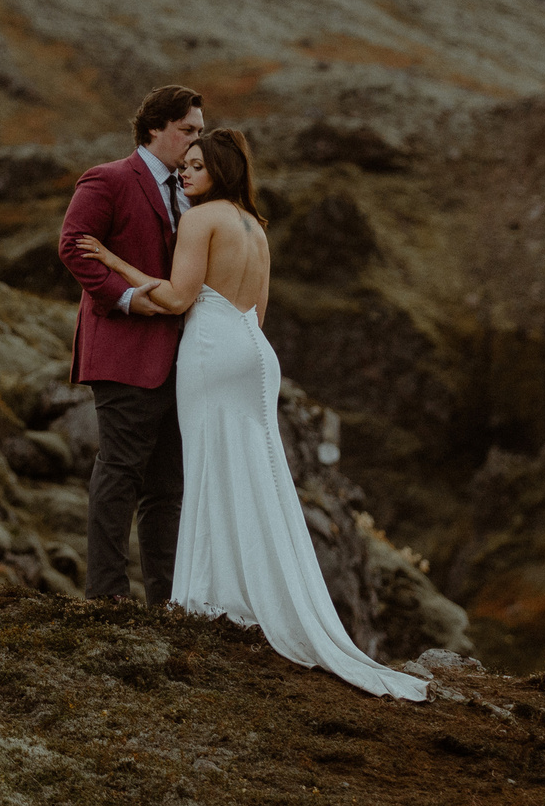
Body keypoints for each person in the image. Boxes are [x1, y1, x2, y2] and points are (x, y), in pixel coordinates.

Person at [76, 127, 427, 700]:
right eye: (183, 164)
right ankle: (264, 595)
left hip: (212, 349)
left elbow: (175, 298)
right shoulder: (254, 226)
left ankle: (217, 597)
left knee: (213, 468)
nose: (184, 174)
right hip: (254, 350)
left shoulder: (201, 218)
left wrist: (115, 261)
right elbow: (258, 312)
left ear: (218, 170)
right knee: (257, 472)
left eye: (195, 165)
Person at [57, 83, 203, 605]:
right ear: (153, 130)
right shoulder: (109, 179)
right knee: (119, 474)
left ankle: (165, 602)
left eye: (198, 135)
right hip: (122, 355)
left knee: (168, 490)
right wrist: (125, 299)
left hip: (182, 361)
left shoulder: (193, 191)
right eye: (186, 131)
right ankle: (108, 597)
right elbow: (74, 247)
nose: (192, 144)